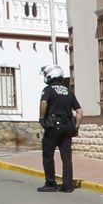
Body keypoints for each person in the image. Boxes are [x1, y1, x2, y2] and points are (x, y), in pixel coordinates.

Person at [38, 64, 81, 193]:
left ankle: (50, 183)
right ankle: (67, 186)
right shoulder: (68, 91)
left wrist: (41, 117)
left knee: (48, 154)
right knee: (66, 157)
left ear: (50, 75)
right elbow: (79, 111)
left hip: (53, 126)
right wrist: (76, 127)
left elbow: (44, 102)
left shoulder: (48, 89)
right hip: (67, 126)